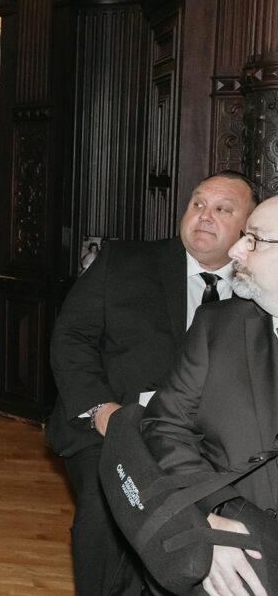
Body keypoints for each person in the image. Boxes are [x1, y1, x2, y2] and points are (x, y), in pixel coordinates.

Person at [46, 171, 257, 595]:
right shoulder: (124, 261)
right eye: (198, 204)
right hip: (114, 425)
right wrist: (102, 410)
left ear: (247, 231)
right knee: (103, 511)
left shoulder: (260, 288)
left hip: (208, 441)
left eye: (222, 209)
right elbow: (70, 339)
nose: (204, 216)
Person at [142, 195, 278, 596]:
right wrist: (208, 514)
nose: (236, 249)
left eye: (254, 239)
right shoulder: (219, 326)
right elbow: (164, 427)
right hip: (228, 546)